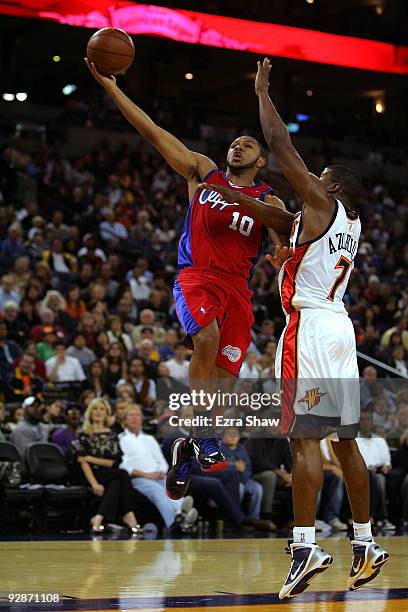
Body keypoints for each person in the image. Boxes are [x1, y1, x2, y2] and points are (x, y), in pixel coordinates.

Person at [205, 58, 389, 599]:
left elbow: (278, 142)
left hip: (308, 329)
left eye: (320, 177)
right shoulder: (347, 224)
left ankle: (304, 547)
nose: (314, 179)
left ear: (331, 187)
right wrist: (229, 196)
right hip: (341, 331)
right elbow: (278, 223)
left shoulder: (321, 199)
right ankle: (366, 542)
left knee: (304, 442)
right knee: (346, 445)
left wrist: (263, 93)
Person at [85, 59, 285, 484]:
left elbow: (283, 244)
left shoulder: (270, 201)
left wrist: (282, 256)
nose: (238, 147)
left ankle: (187, 450)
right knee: (205, 339)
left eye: (248, 145)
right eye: (235, 143)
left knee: (224, 384)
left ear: (261, 161)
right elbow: (153, 132)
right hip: (198, 276)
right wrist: (112, 89)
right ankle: (204, 433)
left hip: (239, 291)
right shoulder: (203, 172)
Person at [119, 405, 197, 530]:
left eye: (137, 415)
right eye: (131, 415)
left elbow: (161, 460)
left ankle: (182, 516)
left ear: (141, 419)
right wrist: (146, 475)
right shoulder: (121, 439)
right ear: (124, 420)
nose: (134, 418)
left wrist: (161, 471)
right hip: (138, 478)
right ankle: (174, 522)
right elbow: (123, 465)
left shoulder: (149, 439)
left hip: (158, 475)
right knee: (158, 491)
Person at [71, 398, 141, 534]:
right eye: (95, 409)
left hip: (108, 473)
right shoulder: (82, 433)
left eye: (102, 409)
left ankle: (98, 517)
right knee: (121, 475)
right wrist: (94, 484)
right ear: (90, 413)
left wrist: (90, 458)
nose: (98, 412)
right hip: (87, 474)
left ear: (107, 413)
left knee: (117, 480)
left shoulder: (111, 434)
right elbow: (82, 461)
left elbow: (114, 462)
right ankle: (129, 515)